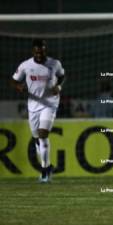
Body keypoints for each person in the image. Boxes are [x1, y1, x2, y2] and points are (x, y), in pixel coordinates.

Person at [10, 39, 65, 183]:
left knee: (42, 135)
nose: (39, 55)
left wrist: (58, 87)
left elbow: (62, 76)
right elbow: (14, 80)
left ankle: (45, 171)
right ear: (33, 52)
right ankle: (48, 166)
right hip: (33, 105)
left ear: (45, 50)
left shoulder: (54, 64)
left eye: (41, 52)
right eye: (36, 52)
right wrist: (19, 87)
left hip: (50, 104)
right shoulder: (26, 65)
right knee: (36, 139)